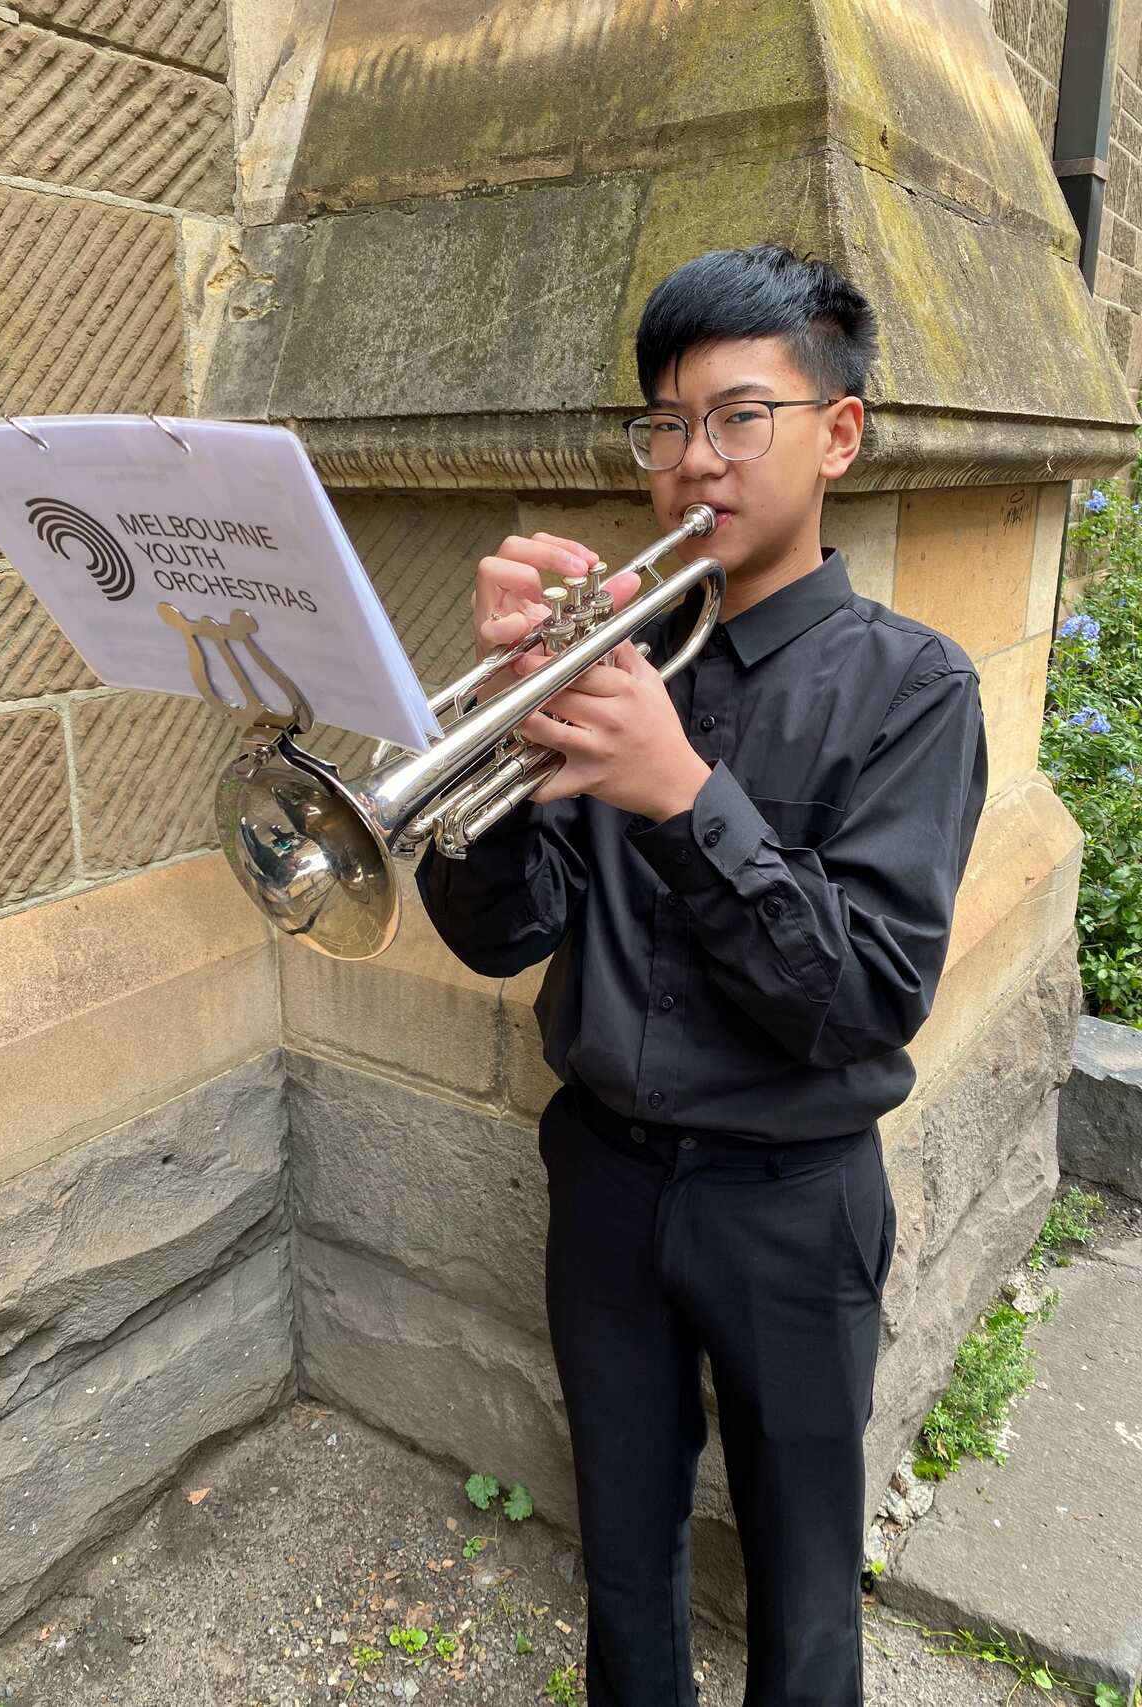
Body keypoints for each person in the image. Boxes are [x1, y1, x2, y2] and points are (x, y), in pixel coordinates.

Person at [415, 242, 988, 1707]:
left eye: (742, 417)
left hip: (791, 1200)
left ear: (838, 435)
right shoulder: (613, 662)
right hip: (603, 1175)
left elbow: (861, 998)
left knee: (802, 1589)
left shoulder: (913, 687)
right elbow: (503, 932)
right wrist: (491, 725)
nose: (693, 461)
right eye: (663, 425)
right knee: (621, 1552)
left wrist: (683, 796)